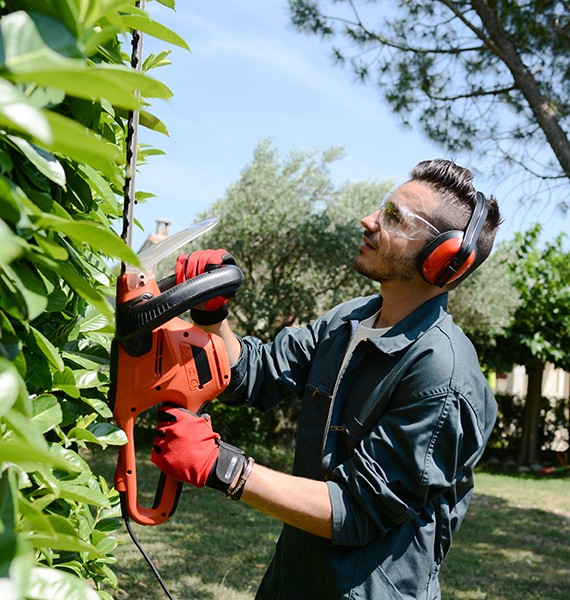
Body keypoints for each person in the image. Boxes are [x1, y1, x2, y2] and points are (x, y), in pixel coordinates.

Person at [151, 159, 502, 600]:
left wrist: (225, 467)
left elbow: (356, 508)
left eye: (394, 217)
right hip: (292, 580)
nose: (369, 220)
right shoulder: (349, 320)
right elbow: (255, 372)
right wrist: (212, 315)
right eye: (382, 207)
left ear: (442, 259)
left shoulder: (443, 374)